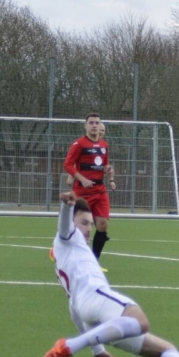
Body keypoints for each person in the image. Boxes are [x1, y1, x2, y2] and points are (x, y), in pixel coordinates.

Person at [42, 190, 179, 357]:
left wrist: (98, 350)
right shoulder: (68, 238)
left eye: (91, 224)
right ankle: (70, 346)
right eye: (84, 223)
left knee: (166, 349)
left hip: (89, 313)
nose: (88, 229)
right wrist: (67, 207)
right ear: (72, 223)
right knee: (140, 322)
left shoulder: (69, 254)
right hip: (97, 297)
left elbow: (75, 311)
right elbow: (64, 227)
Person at [64, 113, 114, 264]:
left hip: (100, 190)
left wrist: (107, 169)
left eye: (97, 123)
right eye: (91, 123)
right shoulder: (79, 144)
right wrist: (82, 179)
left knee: (103, 224)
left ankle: (94, 261)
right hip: (82, 192)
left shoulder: (104, 145)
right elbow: (68, 165)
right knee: (80, 227)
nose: (94, 125)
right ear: (85, 125)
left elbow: (104, 164)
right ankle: (67, 253)